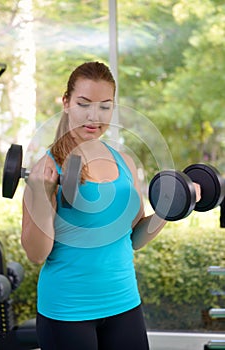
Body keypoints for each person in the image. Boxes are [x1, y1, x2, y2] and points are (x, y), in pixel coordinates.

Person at [21, 61, 200, 350]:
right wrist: (42, 194)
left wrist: (171, 207)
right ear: (66, 103)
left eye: (105, 106)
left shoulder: (125, 162)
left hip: (124, 304)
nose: (94, 116)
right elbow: (36, 253)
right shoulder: (46, 169)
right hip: (67, 311)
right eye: (84, 104)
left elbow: (134, 239)